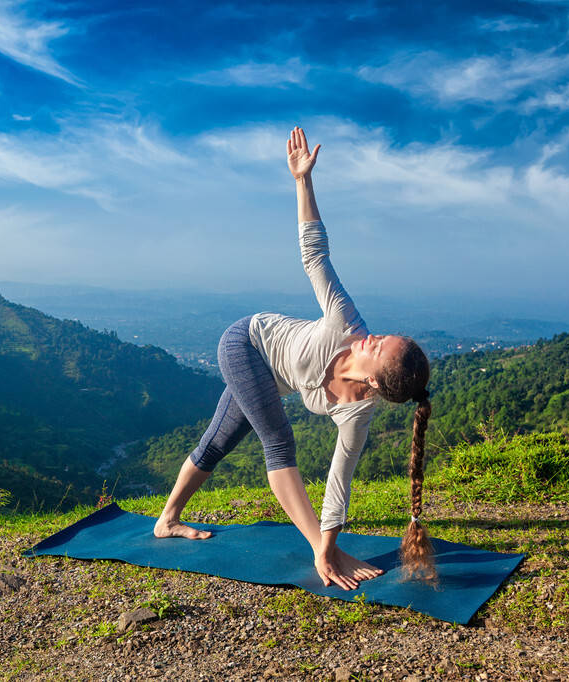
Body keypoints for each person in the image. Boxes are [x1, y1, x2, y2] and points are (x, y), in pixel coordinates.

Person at [153, 127, 435, 590]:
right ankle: (174, 517)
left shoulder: (357, 415)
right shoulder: (347, 323)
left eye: (379, 346)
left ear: (378, 385)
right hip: (246, 343)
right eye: (382, 336)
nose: (373, 337)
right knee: (280, 443)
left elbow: (338, 483)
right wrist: (303, 180)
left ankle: (166, 520)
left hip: (267, 377)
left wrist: (332, 542)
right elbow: (314, 255)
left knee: (217, 443)